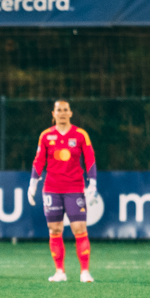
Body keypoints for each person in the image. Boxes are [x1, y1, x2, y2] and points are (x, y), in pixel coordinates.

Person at [28, 99, 97, 282]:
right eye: (59, 110)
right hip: (52, 188)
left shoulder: (81, 135)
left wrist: (93, 183)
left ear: (71, 113)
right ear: (53, 114)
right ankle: (60, 272)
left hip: (74, 187)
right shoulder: (45, 136)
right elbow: (39, 160)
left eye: (65, 110)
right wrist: (33, 183)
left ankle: (84, 272)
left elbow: (90, 159)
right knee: (55, 229)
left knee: (79, 228)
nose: (62, 113)